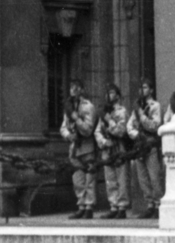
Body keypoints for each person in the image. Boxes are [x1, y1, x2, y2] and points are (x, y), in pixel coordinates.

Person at [59, 79, 98, 219]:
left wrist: (77, 120)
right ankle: (81, 205)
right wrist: (69, 136)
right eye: (71, 87)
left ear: (82, 89)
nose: (73, 90)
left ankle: (89, 207)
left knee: (89, 179)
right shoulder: (69, 108)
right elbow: (63, 127)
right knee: (78, 179)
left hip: (87, 147)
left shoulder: (88, 107)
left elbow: (88, 129)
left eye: (76, 87)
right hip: (74, 148)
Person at [128, 79, 165, 218]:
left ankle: (158, 205)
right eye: (140, 87)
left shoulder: (155, 106)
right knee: (143, 178)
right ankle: (150, 205)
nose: (141, 90)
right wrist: (137, 135)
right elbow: (129, 126)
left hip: (150, 144)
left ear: (151, 90)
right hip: (139, 144)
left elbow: (154, 125)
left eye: (145, 87)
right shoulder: (137, 107)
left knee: (154, 176)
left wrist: (142, 115)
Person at [95, 84, 133, 220]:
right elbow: (97, 131)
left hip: (119, 148)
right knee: (110, 179)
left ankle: (122, 207)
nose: (108, 96)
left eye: (111, 93)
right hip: (107, 149)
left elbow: (121, 131)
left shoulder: (122, 112)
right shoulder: (105, 112)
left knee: (121, 178)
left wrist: (110, 121)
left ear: (117, 95)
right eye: (107, 93)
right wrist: (104, 142)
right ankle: (113, 206)